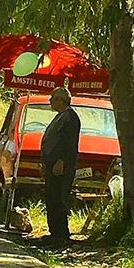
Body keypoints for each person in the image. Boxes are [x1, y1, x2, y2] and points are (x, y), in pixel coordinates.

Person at [40, 86, 81, 246]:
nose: (50, 101)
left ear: (60, 100)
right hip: (51, 163)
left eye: (52, 98)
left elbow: (68, 142)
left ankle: (61, 234)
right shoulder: (60, 116)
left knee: (58, 197)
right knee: (51, 197)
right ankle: (54, 232)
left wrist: (61, 160)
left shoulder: (70, 118)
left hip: (61, 164)